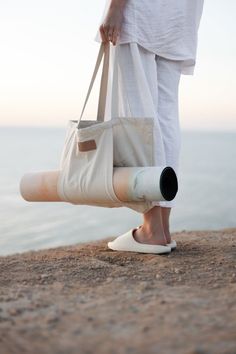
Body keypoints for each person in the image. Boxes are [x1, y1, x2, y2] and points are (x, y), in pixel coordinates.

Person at [94, 0, 204, 251]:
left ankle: (152, 229)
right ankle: (162, 228)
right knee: (165, 121)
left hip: (142, 12)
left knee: (137, 116)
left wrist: (115, 6)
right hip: (180, 17)